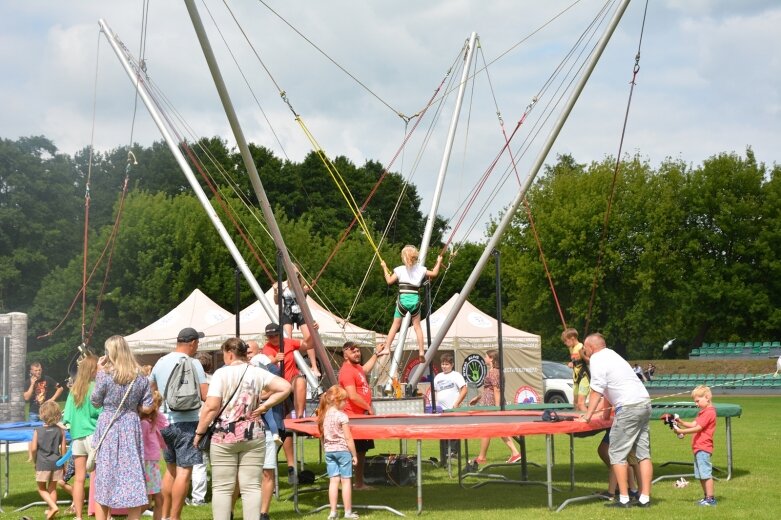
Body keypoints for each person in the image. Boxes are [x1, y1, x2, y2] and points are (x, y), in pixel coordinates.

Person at [193, 337, 291, 520]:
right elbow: (285, 386)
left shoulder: (221, 374)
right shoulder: (257, 372)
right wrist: (265, 406)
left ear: (229, 354)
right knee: (251, 487)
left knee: (222, 487)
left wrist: (199, 432)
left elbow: (212, 406)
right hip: (254, 433)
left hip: (224, 435)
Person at [577, 333, 653, 508]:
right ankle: (644, 498)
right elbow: (610, 389)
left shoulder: (596, 359)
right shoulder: (614, 356)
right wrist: (604, 416)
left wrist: (587, 416)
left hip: (628, 408)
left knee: (617, 454)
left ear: (590, 348)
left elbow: (597, 389)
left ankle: (624, 498)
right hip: (644, 403)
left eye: (585, 348)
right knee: (643, 455)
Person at [91, 335, 154, 520]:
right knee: (133, 475)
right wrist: (133, 407)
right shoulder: (141, 377)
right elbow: (148, 406)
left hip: (108, 425)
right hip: (130, 425)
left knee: (104, 476)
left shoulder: (105, 375)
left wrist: (98, 372)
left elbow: (95, 402)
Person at [150, 327, 208, 520]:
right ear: (192, 343)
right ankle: (175, 518)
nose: (197, 346)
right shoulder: (194, 363)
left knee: (171, 470)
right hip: (187, 422)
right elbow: (205, 395)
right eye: (197, 343)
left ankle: (164, 515)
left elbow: (151, 391)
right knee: (184, 472)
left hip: (164, 423)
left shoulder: (160, 362)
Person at [262, 322, 315, 484]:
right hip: (277, 389)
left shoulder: (288, 342)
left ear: (280, 333)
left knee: (300, 381)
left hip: (290, 383)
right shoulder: (266, 349)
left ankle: (299, 416)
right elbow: (265, 363)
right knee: (283, 430)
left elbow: (309, 344)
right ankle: (290, 466)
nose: (273, 338)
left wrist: (312, 331)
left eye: (275, 335)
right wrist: (273, 359)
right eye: (270, 336)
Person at [338, 341, 388, 489]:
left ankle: (358, 483)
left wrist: (376, 354)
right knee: (352, 453)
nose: (357, 353)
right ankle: (348, 484)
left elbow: (365, 369)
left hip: (361, 416)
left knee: (361, 452)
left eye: (358, 351)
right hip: (352, 418)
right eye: (353, 351)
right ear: (345, 354)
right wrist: (368, 406)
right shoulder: (347, 371)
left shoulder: (357, 368)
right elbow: (352, 396)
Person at [379, 245, 443, 362]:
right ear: (415, 257)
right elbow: (434, 273)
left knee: (395, 325)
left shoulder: (399, 269)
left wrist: (384, 267)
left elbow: (389, 281)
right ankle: (421, 351)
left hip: (402, 302)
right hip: (415, 301)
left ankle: (387, 347)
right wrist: (438, 262)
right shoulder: (421, 269)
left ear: (403, 257)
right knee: (417, 327)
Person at [62, 354, 102, 520]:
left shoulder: (74, 391)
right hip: (94, 435)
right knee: (99, 477)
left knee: (79, 479)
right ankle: (104, 515)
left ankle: (78, 516)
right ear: (93, 370)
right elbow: (99, 413)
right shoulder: (95, 388)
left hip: (77, 437)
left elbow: (67, 418)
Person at [247, 339, 284, 520]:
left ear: (258, 351)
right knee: (245, 473)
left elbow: (281, 385)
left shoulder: (268, 369)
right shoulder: (238, 372)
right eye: (245, 352)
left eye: (250, 351)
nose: (248, 355)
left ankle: (263, 513)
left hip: (267, 428)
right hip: (245, 429)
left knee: (267, 470)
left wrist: (263, 397)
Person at [468, 350, 521, 465]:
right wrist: (478, 398)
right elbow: (490, 389)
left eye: (486, 356)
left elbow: (497, 390)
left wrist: (497, 408)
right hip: (489, 402)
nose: (484, 358)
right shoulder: (494, 371)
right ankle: (515, 453)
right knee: (498, 430)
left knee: (487, 430)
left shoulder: (494, 372)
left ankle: (482, 457)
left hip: (491, 404)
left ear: (491, 358)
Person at [317, 386, 359, 520]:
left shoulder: (323, 415)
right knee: (346, 481)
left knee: (333, 481)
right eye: (344, 401)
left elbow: (322, 436)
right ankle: (347, 512)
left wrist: (325, 448)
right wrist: (354, 454)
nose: (346, 403)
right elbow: (348, 438)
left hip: (329, 451)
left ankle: (333, 512)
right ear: (337, 401)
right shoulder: (342, 416)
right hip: (342, 451)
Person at [673, 385, 717, 506]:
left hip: (703, 448)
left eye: (697, 401)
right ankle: (706, 497)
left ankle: (710, 499)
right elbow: (693, 424)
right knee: (701, 475)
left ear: (707, 397)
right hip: (698, 448)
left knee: (706, 474)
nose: (696, 404)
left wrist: (681, 431)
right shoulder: (702, 412)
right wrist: (681, 422)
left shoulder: (709, 412)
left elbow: (698, 428)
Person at [273, 264, 319, 375]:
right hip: (287, 313)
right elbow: (276, 302)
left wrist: (306, 291)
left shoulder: (302, 286)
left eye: (295, 270)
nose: (294, 272)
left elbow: (304, 295)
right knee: (287, 340)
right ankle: (289, 365)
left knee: (309, 337)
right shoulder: (283, 285)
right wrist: (276, 292)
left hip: (300, 313)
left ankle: (314, 366)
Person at [28, 400, 66, 520]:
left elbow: (33, 449)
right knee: (52, 488)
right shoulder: (60, 430)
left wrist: (34, 460)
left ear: (42, 414)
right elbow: (63, 450)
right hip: (57, 463)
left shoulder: (37, 431)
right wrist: (64, 465)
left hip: (42, 463)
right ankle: (51, 513)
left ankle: (53, 507)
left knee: (41, 489)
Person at [188, 352, 213, 508]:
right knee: (217, 462)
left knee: (199, 463)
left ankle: (198, 498)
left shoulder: (189, 381)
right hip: (215, 424)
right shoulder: (214, 380)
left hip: (196, 424)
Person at [432, 353, 467, 465]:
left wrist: (457, 403)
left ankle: (453, 453)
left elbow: (464, 389)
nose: (444, 366)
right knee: (442, 433)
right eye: (442, 364)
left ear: (452, 364)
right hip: (440, 410)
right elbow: (436, 392)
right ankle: (443, 457)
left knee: (453, 432)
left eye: (446, 364)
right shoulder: (438, 377)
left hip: (453, 409)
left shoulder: (456, 375)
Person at [140, 391, 168, 520]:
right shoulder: (145, 424)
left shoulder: (151, 421)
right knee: (154, 498)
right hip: (148, 462)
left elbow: (165, 426)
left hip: (151, 462)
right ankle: (132, 516)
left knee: (155, 498)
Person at [560, 328, 589, 411]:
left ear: (572, 338)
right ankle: (578, 420)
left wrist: (574, 362)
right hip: (576, 378)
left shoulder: (580, 346)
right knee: (575, 403)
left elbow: (586, 360)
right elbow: (574, 359)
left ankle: (588, 419)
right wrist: (572, 362)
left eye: (566, 341)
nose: (565, 343)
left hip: (584, 376)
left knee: (580, 403)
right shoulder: (571, 348)